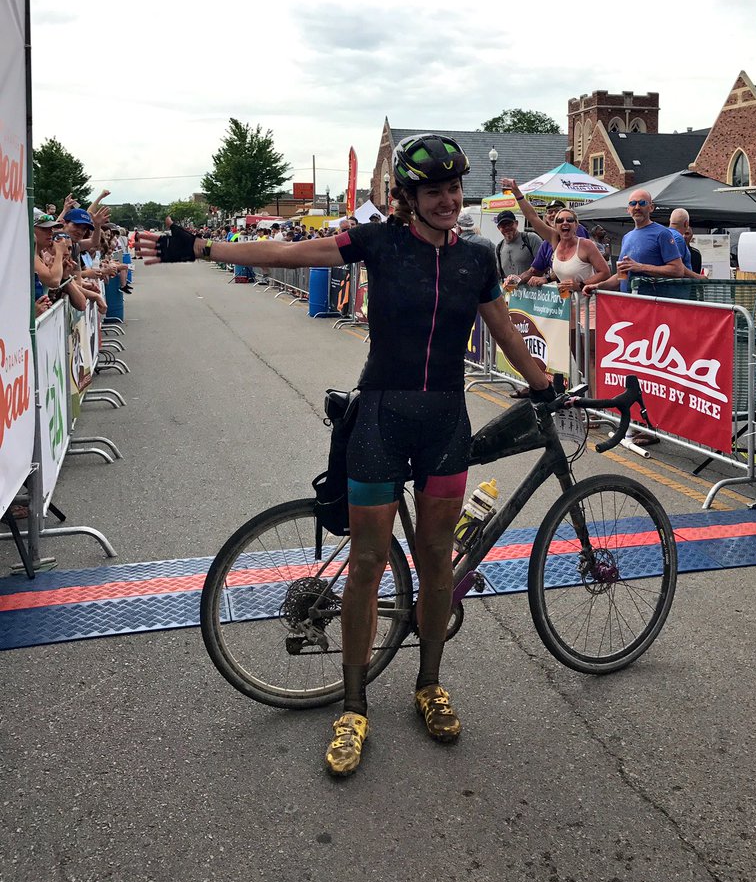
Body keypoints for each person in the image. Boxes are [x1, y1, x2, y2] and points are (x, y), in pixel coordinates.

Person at [138, 133, 553, 779]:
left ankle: (429, 684)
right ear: (407, 198)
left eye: (453, 190)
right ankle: (354, 706)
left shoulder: (477, 258)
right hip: (381, 418)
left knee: (438, 563)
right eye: (433, 192)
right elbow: (287, 249)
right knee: (365, 567)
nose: (447, 201)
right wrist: (201, 246)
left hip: (444, 420)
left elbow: (501, 327)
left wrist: (541, 382)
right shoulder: (378, 243)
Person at [602, 191, 684, 295]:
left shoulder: (662, 233)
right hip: (629, 304)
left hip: (652, 305)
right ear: (628, 209)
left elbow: (678, 270)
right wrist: (598, 286)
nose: (637, 207)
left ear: (651, 207)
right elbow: (621, 276)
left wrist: (641, 267)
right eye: (632, 203)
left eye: (642, 203)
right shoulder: (627, 237)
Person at [494, 210, 541, 284]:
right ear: (498, 228)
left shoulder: (531, 239)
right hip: (510, 293)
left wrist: (517, 280)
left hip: (533, 293)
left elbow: (542, 267)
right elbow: (499, 275)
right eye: (503, 225)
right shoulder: (499, 247)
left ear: (516, 223)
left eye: (509, 224)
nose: (507, 227)